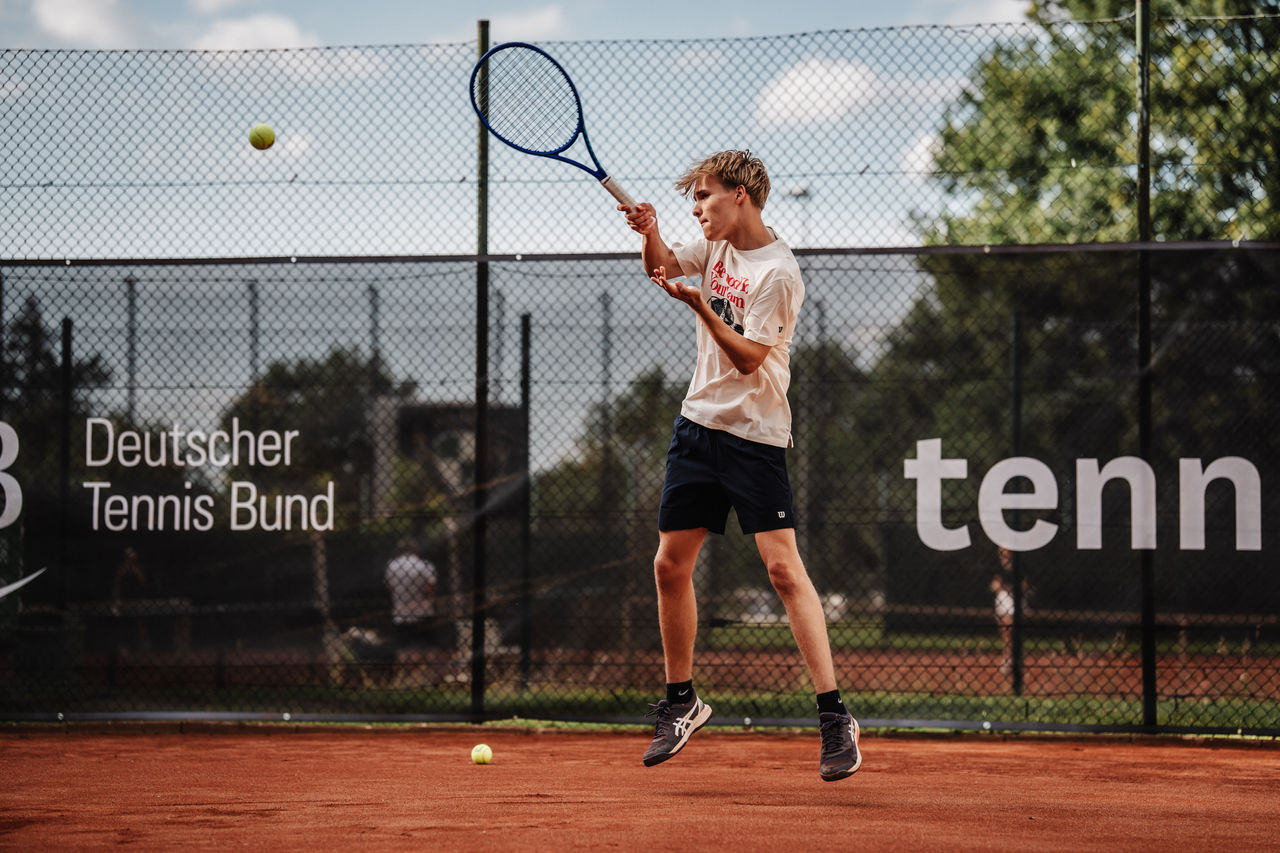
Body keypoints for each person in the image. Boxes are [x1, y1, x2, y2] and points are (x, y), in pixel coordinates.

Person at [621, 150, 861, 782]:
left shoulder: (778, 272)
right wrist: (650, 234)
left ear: (742, 196)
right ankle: (682, 703)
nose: (696, 209)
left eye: (704, 196)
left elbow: (751, 359)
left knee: (783, 572)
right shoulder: (715, 245)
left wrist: (702, 309)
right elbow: (664, 269)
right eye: (692, 201)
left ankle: (835, 717)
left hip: (755, 436)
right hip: (697, 428)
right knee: (669, 564)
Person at [384, 537, 438, 652]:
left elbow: (390, 589)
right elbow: (431, 588)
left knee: (403, 649)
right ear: (416, 549)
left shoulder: (392, 566)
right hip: (422, 612)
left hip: (400, 613)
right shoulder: (424, 565)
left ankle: (404, 668)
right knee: (426, 648)